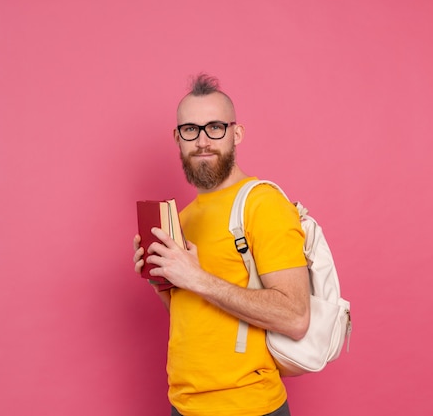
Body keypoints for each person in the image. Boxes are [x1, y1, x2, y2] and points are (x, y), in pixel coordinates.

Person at [132, 74, 310, 416]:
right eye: (190, 130)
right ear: (177, 138)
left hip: (248, 407)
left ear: (236, 133)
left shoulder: (263, 204)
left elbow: (296, 316)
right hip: (183, 406)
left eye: (215, 127)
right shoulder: (181, 218)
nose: (202, 141)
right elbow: (197, 319)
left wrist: (196, 277)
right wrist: (162, 279)